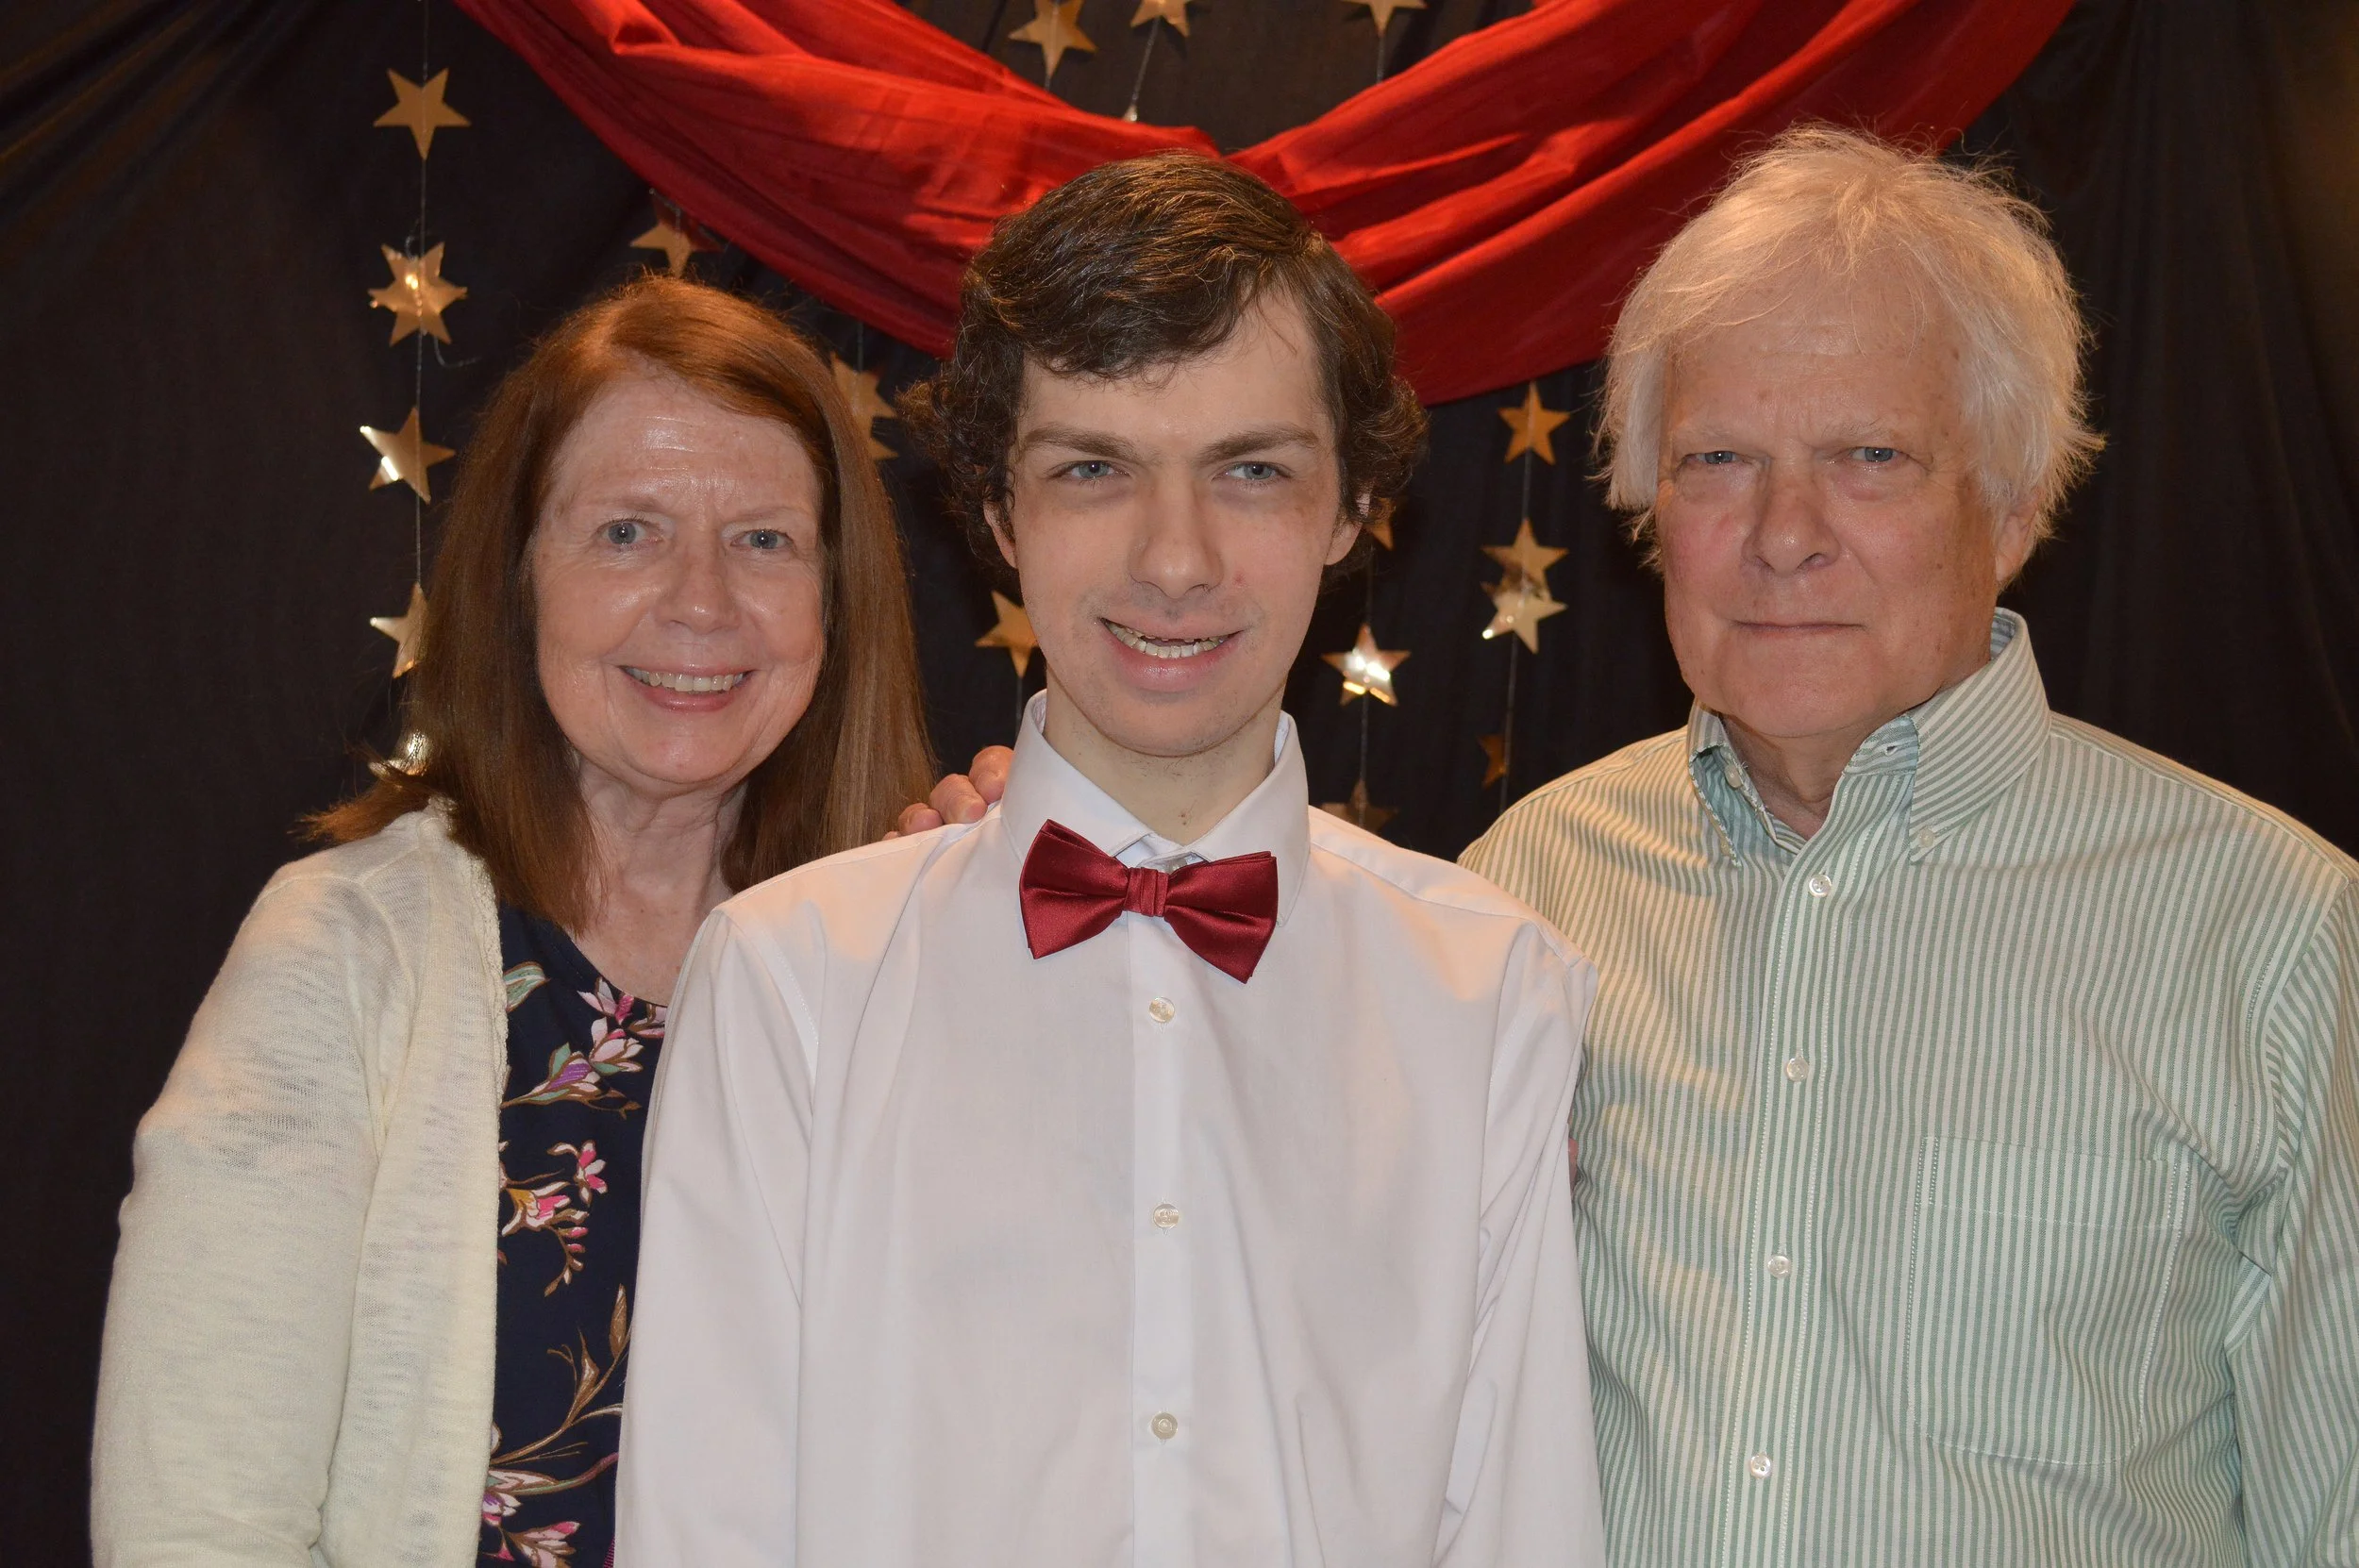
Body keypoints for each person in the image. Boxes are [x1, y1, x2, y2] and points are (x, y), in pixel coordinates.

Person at [909, 127, 2359, 1566]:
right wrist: (1002, 866)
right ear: (1650, 508)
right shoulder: (1520, 894)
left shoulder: (2273, 934)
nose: (1786, 534)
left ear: (2020, 500)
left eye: (1869, 456)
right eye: (1720, 458)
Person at [615, 153, 1609, 1567]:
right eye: (1094, 469)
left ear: (1350, 508)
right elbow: (706, 1525)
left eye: (1251, 470)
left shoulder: (1495, 992)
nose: (1176, 558)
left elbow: (1519, 1528)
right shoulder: (790, 980)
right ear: (1000, 516)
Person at [92, 275, 937, 1567]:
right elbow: (197, 1522)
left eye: (765, 540)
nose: (700, 602)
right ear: (517, 574)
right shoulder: (347, 950)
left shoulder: (906, 950)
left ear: (839, 597)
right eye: (627, 532)